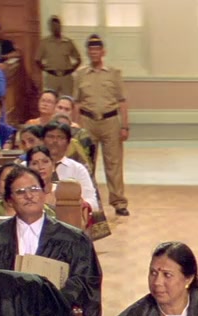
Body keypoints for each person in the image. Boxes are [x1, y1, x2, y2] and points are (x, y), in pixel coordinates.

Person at [0, 166, 103, 316]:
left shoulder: (73, 238)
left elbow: (85, 280)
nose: (29, 196)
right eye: (20, 192)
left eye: (34, 189)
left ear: (44, 193)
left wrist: (50, 301)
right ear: (10, 200)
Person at [74, 35, 130, 216]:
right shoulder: (80, 75)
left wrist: (125, 126)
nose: (94, 52)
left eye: (97, 49)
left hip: (110, 121)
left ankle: (119, 202)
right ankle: (89, 201)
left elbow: (122, 101)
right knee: (87, 163)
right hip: (88, 121)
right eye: (91, 49)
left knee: (114, 163)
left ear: (103, 52)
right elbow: (76, 102)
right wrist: (75, 126)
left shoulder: (113, 73)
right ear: (88, 52)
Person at [41, 121, 99, 210]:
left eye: (60, 137)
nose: (55, 141)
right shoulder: (29, 166)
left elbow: (93, 202)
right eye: (50, 137)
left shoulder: (78, 169)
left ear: (68, 143)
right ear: (42, 140)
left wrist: (78, 204)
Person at [36, 17, 81, 97]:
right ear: (50, 28)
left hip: (66, 77)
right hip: (52, 77)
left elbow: (78, 59)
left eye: (57, 26)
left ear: (60, 26)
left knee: (67, 99)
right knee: (50, 98)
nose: (56, 28)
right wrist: (46, 69)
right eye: (53, 26)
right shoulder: (45, 43)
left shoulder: (68, 42)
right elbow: (37, 60)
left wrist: (71, 69)